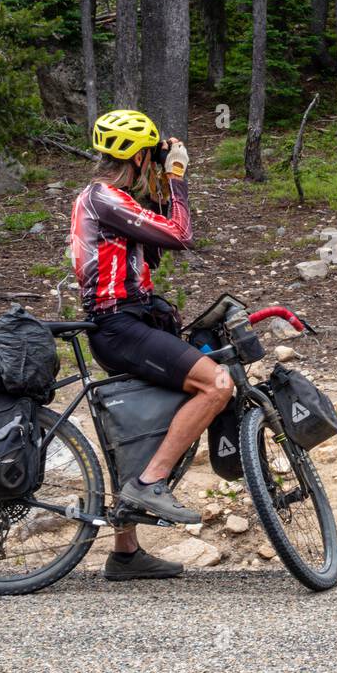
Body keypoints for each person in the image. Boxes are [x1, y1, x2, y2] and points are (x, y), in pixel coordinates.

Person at [70, 109, 232, 581]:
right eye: (151, 154)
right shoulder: (103, 198)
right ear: (138, 155)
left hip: (125, 324)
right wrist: (178, 175)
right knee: (216, 385)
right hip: (118, 326)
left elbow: (153, 226)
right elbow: (179, 234)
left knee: (143, 424)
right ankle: (151, 481)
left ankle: (125, 553)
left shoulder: (107, 197)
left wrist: (161, 171)